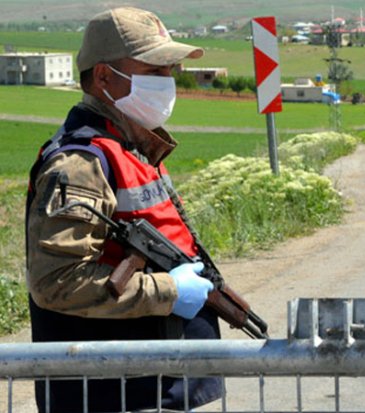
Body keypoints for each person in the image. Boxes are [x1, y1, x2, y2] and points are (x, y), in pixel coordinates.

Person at [25, 7, 222, 412]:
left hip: (152, 385)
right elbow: (56, 282)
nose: (168, 83)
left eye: (170, 71)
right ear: (103, 77)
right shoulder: (79, 164)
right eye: (154, 71)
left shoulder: (130, 146)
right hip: (111, 392)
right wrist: (169, 292)